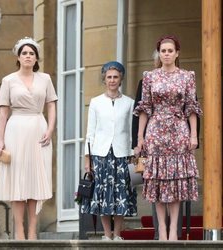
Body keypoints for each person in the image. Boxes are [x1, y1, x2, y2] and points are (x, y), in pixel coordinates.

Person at [134, 35, 202, 241]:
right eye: (163, 51)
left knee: (175, 182)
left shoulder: (187, 77)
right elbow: (144, 108)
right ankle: (161, 230)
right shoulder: (149, 77)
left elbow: (191, 108)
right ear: (159, 54)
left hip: (179, 131)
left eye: (170, 50)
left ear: (177, 53)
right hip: (155, 132)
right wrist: (140, 137)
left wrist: (193, 134)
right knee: (157, 181)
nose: (166, 54)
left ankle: (174, 230)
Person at [0, 37, 57, 240]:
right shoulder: (8, 81)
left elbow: (51, 105)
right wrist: (0, 140)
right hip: (16, 130)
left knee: (36, 180)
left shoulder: (45, 79)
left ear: (36, 57)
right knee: (18, 181)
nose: (28, 56)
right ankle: (19, 230)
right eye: (24, 53)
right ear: (18, 57)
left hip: (38, 129)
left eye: (31, 53)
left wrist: (50, 128)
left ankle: (32, 230)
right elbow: (3, 114)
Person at [81, 61, 137, 241]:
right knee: (103, 193)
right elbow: (90, 132)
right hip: (101, 153)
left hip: (122, 154)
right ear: (104, 79)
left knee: (121, 193)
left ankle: (118, 234)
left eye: (115, 77)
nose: (112, 80)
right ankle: (106, 234)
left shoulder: (129, 103)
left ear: (121, 79)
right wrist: (87, 160)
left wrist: (133, 155)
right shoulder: (96, 102)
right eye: (109, 77)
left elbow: (131, 130)